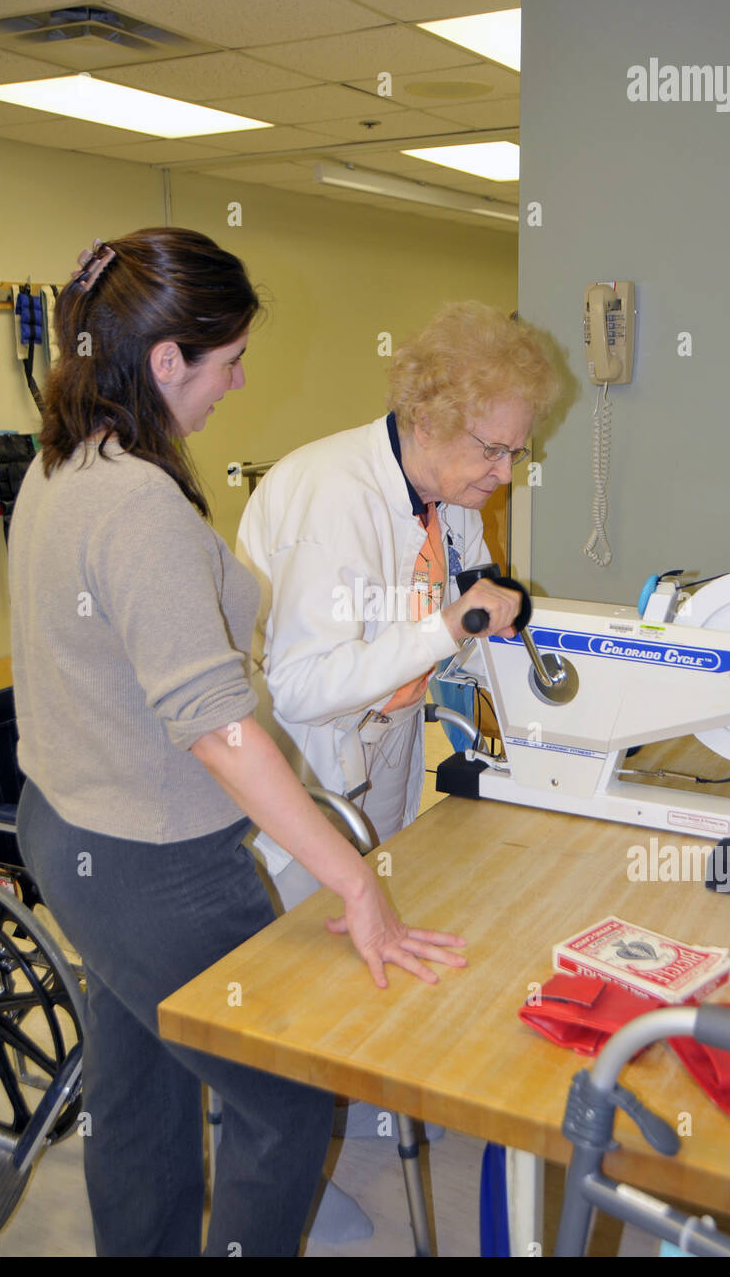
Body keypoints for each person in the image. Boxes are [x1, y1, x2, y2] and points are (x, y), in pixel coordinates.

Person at [10, 227, 466, 1259]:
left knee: (142, 1087)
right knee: (285, 1098)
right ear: (165, 359)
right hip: (156, 862)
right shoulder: (135, 504)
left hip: (73, 834)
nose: (239, 379)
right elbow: (217, 729)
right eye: (226, 361)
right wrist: (354, 882)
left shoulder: (64, 466)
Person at [236, 301, 561, 911]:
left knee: (382, 918)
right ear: (425, 418)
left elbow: (474, 619)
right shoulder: (333, 498)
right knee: (304, 942)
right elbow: (301, 689)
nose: (505, 475)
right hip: (309, 755)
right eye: (493, 450)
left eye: (515, 453)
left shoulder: (450, 493)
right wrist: (445, 628)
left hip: (392, 737)